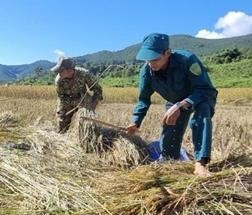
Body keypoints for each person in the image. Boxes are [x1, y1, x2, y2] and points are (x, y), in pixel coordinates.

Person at [125, 33, 218, 176]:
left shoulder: (187, 60)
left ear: (167, 53)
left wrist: (182, 105)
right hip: (174, 102)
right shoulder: (147, 72)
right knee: (169, 143)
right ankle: (170, 162)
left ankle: (201, 163)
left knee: (202, 114)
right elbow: (144, 99)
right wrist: (135, 122)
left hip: (199, 96)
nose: (151, 63)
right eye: (148, 59)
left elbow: (205, 89)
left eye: (155, 59)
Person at [52, 57, 103, 133]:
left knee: (86, 119)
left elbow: (97, 89)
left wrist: (93, 104)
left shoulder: (85, 74)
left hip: (82, 98)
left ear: (69, 70)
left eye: (60, 70)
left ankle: (87, 134)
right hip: (67, 99)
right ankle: (62, 134)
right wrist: (63, 111)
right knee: (61, 118)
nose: (58, 73)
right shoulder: (58, 80)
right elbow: (61, 96)